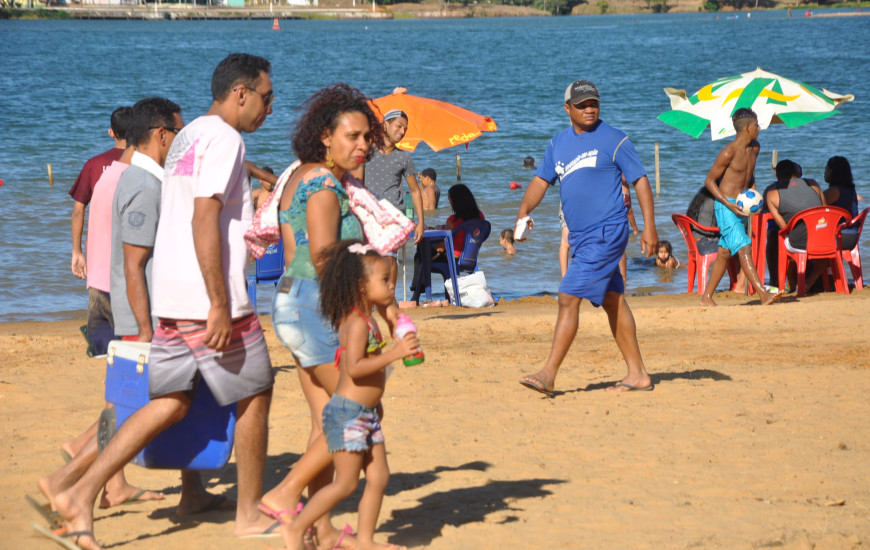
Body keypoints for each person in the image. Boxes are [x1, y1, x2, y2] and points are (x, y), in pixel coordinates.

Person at [55, 53, 278, 549]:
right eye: (266, 97)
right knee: (256, 393)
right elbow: (203, 219)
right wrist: (219, 301)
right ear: (240, 92)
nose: (270, 107)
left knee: (171, 401)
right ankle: (248, 514)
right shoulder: (224, 138)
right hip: (209, 299)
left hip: (172, 297)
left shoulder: (191, 134)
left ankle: (82, 493)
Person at [262, 83, 386, 550]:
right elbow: (322, 256)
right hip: (315, 304)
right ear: (324, 137)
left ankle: (323, 528)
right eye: (352, 136)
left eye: (366, 137)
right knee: (358, 407)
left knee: (325, 421)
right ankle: (286, 493)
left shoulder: (304, 174)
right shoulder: (322, 184)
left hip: (296, 303)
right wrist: (361, 311)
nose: (362, 145)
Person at [516, 79, 658, 396]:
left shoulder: (615, 140)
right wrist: (523, 211)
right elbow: (541, 181)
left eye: (593, 102)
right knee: (612, 300)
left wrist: (650, 227)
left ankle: (548, 374)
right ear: (568, 109)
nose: (589, 108)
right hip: (580, 239)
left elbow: (641, 181)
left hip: (607, 232)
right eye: (582, 104)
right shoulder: (557, 145)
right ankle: (637, 374)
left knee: (568, 295)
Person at [272, 240, 414, 550]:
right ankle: (296, 528)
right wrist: (395, 354)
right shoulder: (356, 323)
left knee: (379, 477)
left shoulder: (368, 320)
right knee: (346, 483)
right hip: (348, 414)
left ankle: (364, 540)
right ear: (362, 286)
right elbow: (355, 368)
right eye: (385, 281)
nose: (392, 287)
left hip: (366, 415)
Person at [699, 108, 782, 307]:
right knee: (744, 246)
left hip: (743, 207)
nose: (759, 128)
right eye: (756, 125)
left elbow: (749, 174)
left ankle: (706, 297)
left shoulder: (756, 148)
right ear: (746, 128)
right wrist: (727, 203)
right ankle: (763, 294)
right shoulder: (728, 152)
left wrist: (754, 190)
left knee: (725, 253)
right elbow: (710, 181)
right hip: (726, 207)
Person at [70, 106, 132, 357]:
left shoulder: (94, 164)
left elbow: (78, 210)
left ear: (111, 132)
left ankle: (101, 352)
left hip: (99, 262)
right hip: (132, 260)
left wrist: (77, 251)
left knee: (101, 327)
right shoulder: (142, 165)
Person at [363, 108, 425, 292]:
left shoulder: (404, 158)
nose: (402, 131)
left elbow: (415, 190)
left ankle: (389, 297)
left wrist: (421, 222)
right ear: (385, 125)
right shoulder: (366, 152)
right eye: (399, 126)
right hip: (367, 214)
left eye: (405, 128)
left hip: (393, 215)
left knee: (389, 257)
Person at [768, 175, 825, 290]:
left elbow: (783, 226)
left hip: (798, 244)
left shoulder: (772, 194)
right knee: (828, 250)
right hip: (821, 241)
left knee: (783, 241)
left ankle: (791, 282)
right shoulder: (814, 186)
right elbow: (825, 211)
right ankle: (808, 282)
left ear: (779, 177)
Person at [823, 156, 861, 250]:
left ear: (832, 171)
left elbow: (813, 207)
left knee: (804, 239)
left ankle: (818, 264)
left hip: (840, 237)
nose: (824, 172)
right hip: (852, 235)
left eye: (826, 169)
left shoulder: (834, 191)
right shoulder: (850, 190)